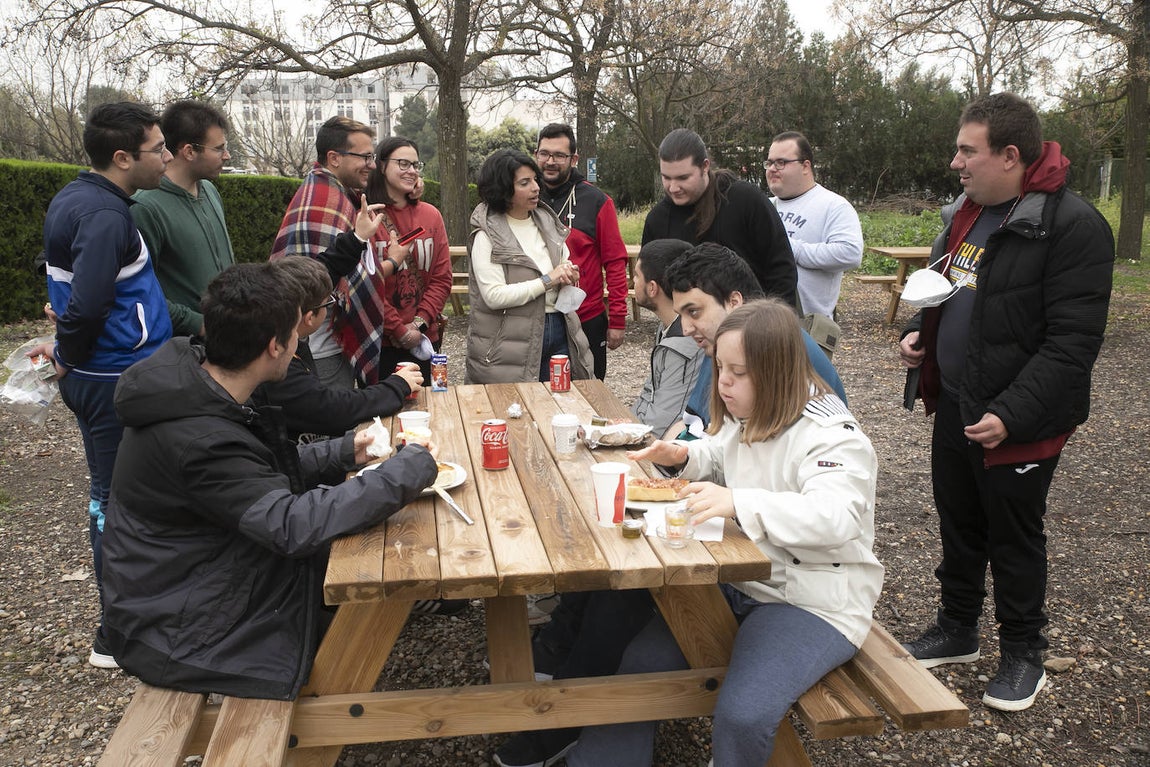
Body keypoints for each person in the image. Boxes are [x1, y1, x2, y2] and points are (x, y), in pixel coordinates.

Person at [560, 299, 882, 765]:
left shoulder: (834, 437)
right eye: (720, 368)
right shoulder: (753, 411)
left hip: (812, 601)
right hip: (741, 581)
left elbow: (837, 518)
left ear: (778, 371)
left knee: (744, 715)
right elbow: (722, 451)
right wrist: (684, 457)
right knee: (638, 669)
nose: (724, 382)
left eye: (739, 372)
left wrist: (739, 502)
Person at [100, 262, 439, 699]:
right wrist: (406, 470)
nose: (301, 343)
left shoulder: (200, 384)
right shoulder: (198, 438)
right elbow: (292, 525)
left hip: (194, 578)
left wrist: (341, 450)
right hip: (180, 627)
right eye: (295, 336)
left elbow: (250, 473)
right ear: (275, 346)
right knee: (364, 555)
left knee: (364, 552)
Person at [898, 93, 1113, 712]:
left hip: (1018, 419)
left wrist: (1011, 414)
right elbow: (945, 286)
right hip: (959, 403)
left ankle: (1024, 653)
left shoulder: (1071, 226)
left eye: (968, 150)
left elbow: (1073, 344)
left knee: (1013, 536)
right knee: (959, 521)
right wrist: (920, 332)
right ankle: (957, 627)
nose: (955, 162)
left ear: (1011, 155)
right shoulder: (968, 214)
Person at [39, 101, 174, 669]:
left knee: (124, 495)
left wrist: (68, 327)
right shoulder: (106, 217)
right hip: (113, 378)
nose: (166, 157)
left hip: (113, 371)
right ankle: (115, 634)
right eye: (157, 148)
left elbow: (80, 290)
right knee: (115, 501)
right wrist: (68, 353)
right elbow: (91, 301)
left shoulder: (83, 198)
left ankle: (141, 611)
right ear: (123, 158)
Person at [271, 116, 412, 389]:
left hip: (320, 342)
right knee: (333, 424)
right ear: (335, 157)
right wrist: (393, 261)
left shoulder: (329, 191)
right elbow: (339, 281)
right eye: (365, 157)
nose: (371, 165)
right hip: (321, 349)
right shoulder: (327, 200)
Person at [664, 243, 846, 440]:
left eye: (693, 312)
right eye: (681, 315)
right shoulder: (723, 344)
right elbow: (695, 425)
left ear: (734, 302)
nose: (685, 329)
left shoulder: (775, 349)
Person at [465, 148, 593, 384]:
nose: (536, 187)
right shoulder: (487, 236)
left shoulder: (548, 223)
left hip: (560, 327)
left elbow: (561, 265)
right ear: (503, 189)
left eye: (535, 179)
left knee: (559, 406)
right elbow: (493, 296)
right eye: (525, 182)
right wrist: (548, 280)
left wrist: (567, 272)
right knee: (514, 411)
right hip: (508, 343)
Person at [642, 128, 797, 307]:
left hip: (753, 324)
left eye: (683, 178)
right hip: (687, 330)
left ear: (705, 166)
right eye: (666, 178)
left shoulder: (746, 200)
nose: (673, 187)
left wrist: (777, 322)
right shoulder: (657, 220)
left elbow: (782, 269)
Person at [344, 137, 452, 384]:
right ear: (381, 166)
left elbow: (441, 277)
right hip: (380, 342)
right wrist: (399, 330)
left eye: (416, 165)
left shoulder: (430, 215)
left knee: (430, 409)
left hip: (425, 339)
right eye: (403, 163)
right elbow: (364, 282)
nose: (412, 171)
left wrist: (418, 325)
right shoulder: (365, 216)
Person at [131, 100, 236, 336]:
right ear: (189, 151)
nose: (227, 155)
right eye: (219, 148)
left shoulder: (210, 191)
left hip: (228, 340)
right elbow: (140, 292)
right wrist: (198, 325)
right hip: (185, 351)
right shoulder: (145, 207)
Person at [535, 123, 629, 379]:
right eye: (544, 154)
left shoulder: (597, 201)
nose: (550, 162)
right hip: (538, 316)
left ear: (574, 159)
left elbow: (615, 263)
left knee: (590, 393)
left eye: (559, 155)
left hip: (587, 316)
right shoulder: (526, 197)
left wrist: (618, 320)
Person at [765, 130, 863, 319]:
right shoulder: (765, 206)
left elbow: (850, 253)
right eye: (769, 163)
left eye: (781, 162)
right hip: (765, 324)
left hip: (808, 327)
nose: (772, 169)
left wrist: (790, 249)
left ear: (805, 166)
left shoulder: (833, 206)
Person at [629, 238, 706, 438]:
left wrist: (626, 434)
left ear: (652, 288)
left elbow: (663, 421)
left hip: (667, 454)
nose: (632, 282)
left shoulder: (685, 341)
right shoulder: (667, 327)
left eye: (637, 276)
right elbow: (650, 392)